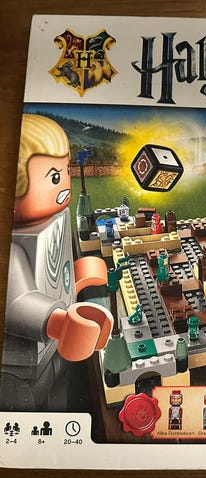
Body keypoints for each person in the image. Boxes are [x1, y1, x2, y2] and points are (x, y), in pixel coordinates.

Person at [0, 114, 113, 410]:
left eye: (65, 172)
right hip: (21, 370)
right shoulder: (11, 246)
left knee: (61, 399)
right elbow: (16, 303)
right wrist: (60, 322)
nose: (64, 184)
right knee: (31, 408)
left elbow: (53, 274)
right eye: (53, 177)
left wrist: (77, 276)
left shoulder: (57, 221)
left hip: (54, 350)